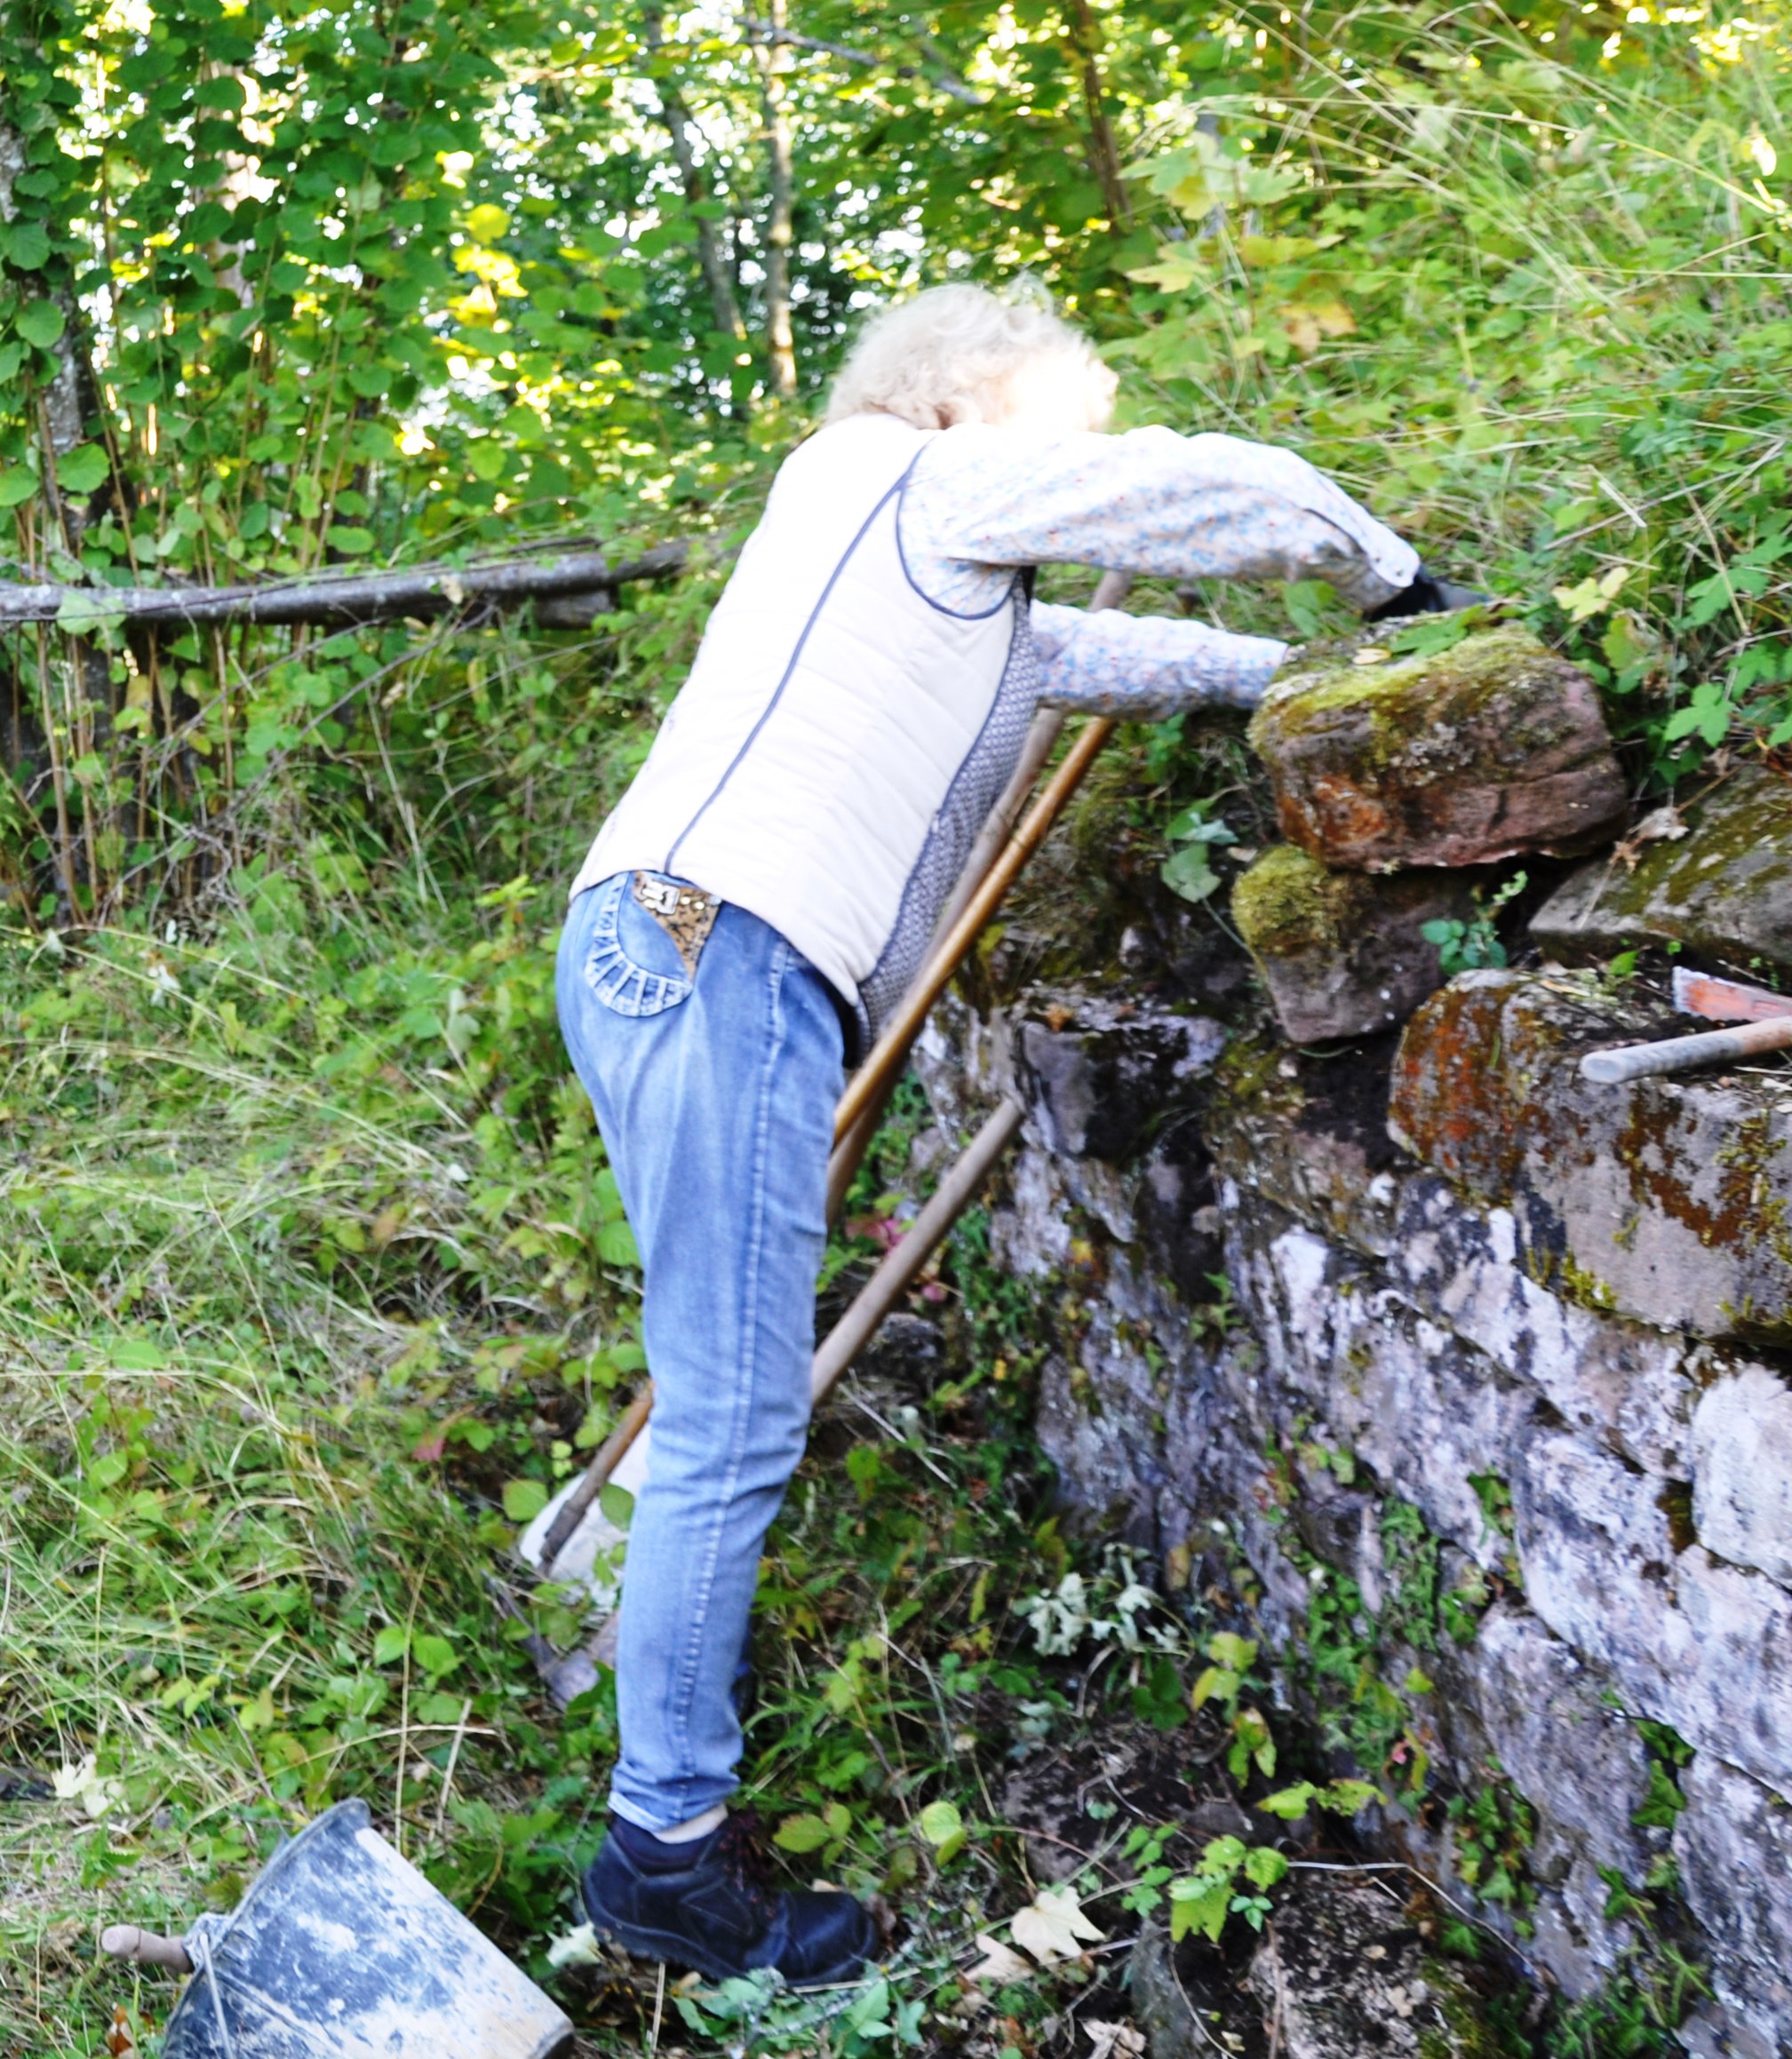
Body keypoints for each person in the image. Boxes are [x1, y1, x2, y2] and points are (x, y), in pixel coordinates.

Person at [560, 286, 1463, 1983]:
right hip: (718, 951)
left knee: (720, 1399)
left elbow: (1122, 659)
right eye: (1071, 424)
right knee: (733, 1415)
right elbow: (1212, 489)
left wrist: (1301, 672)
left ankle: (659, 1810)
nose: (1082, 459)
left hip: (670, 944)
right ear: (972, 397)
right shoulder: (907, 473)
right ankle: (659, 1854)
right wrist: (1395, 582)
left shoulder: (920, 574)